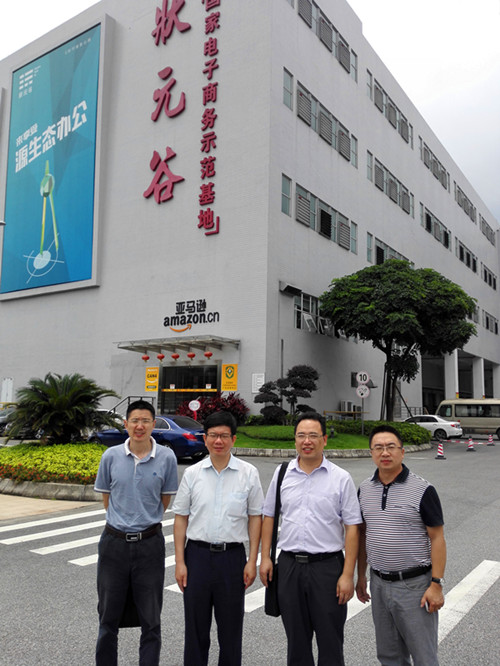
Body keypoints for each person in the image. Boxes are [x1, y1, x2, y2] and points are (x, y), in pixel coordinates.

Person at [260, 411, 362, 666]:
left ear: (324, 440)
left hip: (327, 568)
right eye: (301, 435)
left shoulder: (340, 478)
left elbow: (352, 527)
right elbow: (269, 516)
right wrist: (265, 558)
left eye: (313, 435)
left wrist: (348, 574)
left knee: (330, 642)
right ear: (295, 439)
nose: (307, 441)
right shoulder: (282, 473)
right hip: (289, 567)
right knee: (296, 642)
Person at [172, 410, 264, 666]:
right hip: (197, 557)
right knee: (195, 630)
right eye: (213, 435)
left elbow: (255, 517)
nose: (218, 441)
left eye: (224, 435)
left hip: (232, 559)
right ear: (205, 439)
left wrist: (252, 561)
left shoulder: (248, 473)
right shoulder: (193, 474)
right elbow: (181, 518)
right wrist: (180, 562)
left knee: (231, 631)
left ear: (233, 439)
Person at [94, 399, 178, 666]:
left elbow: (164, 500)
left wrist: (144, 520)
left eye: (145, 421)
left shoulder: (166, 457)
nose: (139, 426)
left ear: (153, 425)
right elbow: (107, 499)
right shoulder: (110, 457)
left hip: (150, 544)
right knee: (108, 617)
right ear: (125, 424)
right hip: (114, 543)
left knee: (151, 619)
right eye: (134, 421)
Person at [356, 424, 446, 666]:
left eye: (391, 447)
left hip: (414, 586)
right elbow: (363, 535)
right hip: (378, 583)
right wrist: (361, 576)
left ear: (402, 452)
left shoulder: (423, 489)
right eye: (378, 448)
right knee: (389, 656)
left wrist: (436, 584)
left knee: (424, 656)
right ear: (371, 453)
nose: (385, 453)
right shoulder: (364, 489)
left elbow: (437, 538)